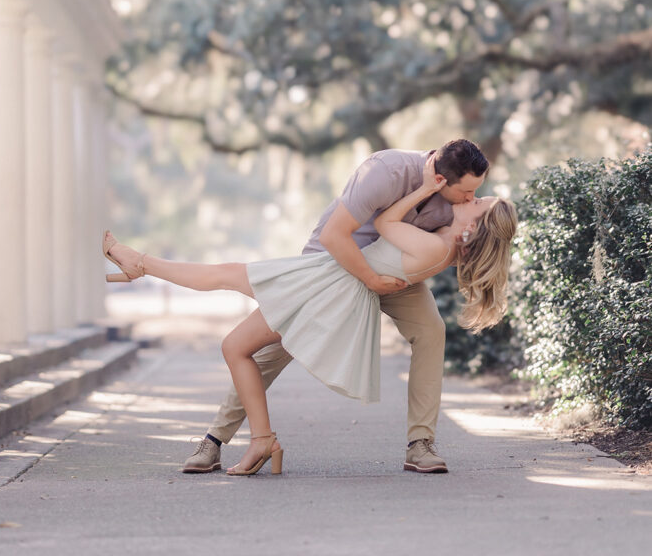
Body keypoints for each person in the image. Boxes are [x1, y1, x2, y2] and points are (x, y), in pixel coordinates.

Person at [104, 143, 517, 476]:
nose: (472, 197)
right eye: (468, 193)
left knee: (431, 331)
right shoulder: (387, 172)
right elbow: (339, 236)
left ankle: (420, 443)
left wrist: (392, 273)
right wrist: (371, 278)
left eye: (475, 196)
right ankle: (215, 440)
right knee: (270, 347)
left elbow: (459, 244)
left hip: (393, 273)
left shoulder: (458, 210)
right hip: (338, 263)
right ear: (442, 178)